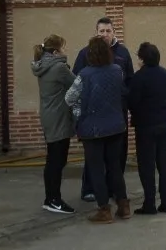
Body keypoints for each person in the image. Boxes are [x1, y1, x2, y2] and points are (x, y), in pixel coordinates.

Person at [65, 36, 131, 224]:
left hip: (92, 128)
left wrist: (79, 110)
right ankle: (123, 206)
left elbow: (69, 98)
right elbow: (122, 92)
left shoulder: (85, 74)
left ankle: (104, 210)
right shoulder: (117, 70)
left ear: (90, 54)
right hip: (116, 126)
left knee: (96, 169)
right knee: (114, 167)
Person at [73, 17, 134, 202]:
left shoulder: (123, 53)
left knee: (117, 156)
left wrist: (125, 102)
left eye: (108, 31)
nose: (105, 34)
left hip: (117, 112)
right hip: (93, 115)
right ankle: (90, 189)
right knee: (94, 156)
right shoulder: (85, 53)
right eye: (102, 31)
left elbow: (129, 81)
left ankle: (114, 189)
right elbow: (76, 81)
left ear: (114, 32)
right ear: (96, 32)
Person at [128, 42, 166, 215]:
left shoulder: (139, 77)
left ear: (142, 59)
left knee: (147, 165)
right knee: (164, 163)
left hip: (146, 125)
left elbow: (132, 102)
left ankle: (149, 204)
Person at [31, 34, 76, 215]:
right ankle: (54, 200)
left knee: (52, 160)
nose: (66, 50)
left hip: (49, 116)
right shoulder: (59, 67)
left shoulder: (43, 65)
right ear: (56, 52)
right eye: (63, 47)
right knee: (57, 161)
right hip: (58, 118)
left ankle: (50, 198)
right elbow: (77, 84)